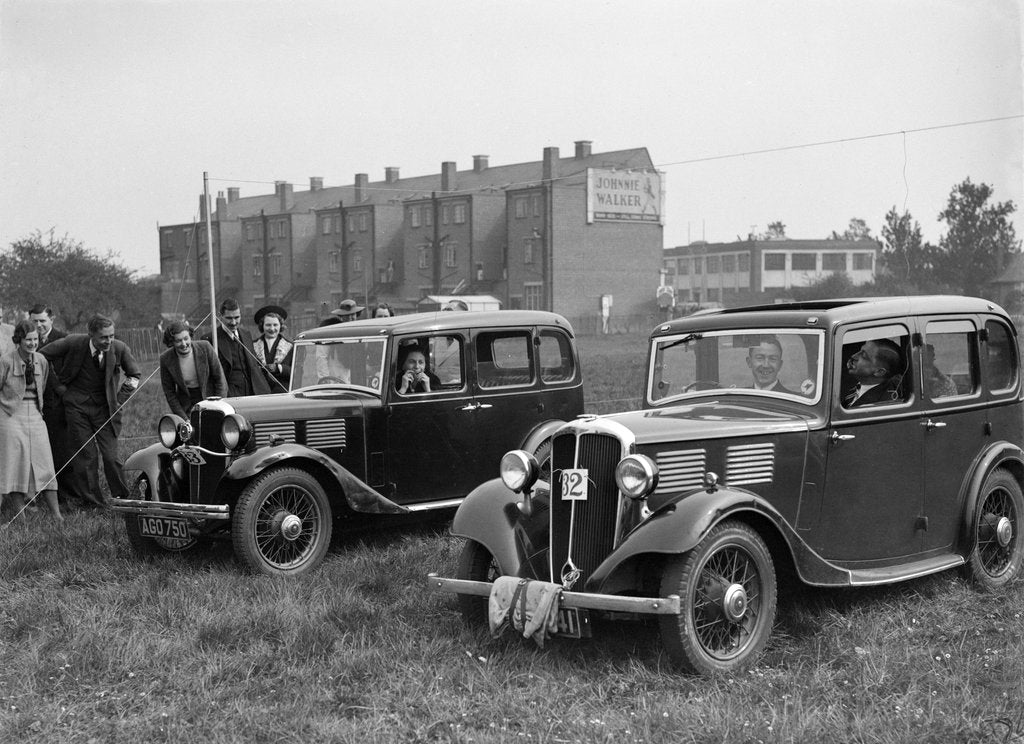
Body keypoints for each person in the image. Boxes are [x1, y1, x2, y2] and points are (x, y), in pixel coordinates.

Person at [40, 314, 141, 509]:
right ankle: (93, 502)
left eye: (111, 335)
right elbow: (42, 356)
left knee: (111, 457)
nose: (109, 341)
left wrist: (119, 400)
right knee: (86, 456)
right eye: (104, 337)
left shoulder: (119, 348)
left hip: (106, 410)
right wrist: (59, 388)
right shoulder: (73, 342)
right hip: (76, 407)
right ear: (90, 335)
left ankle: (123, 499)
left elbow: (134, 376)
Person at [0, 320, 63, 524]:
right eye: (28, 340)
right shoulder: (6, 361)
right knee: (15, 464)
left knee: (44, 461)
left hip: (35, 414)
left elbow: (42, 386)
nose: (32, 344)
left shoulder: (41, 360)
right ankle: (21, 515)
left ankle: (57, 515)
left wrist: (36, 410)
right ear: (19, 340)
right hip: (10, 415)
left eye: (35, 339)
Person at [202, 298, 270, 398]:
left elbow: (254, 362)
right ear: (220, 317)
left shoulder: (246, 334)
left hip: (253, 391)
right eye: (229, 318)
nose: (234, 322)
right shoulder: (211, 339)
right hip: (229, 394)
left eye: (237, 317)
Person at [160, 320, 228, 418]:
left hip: (212, 402)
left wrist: (218, 408)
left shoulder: (205, 347)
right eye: (178, 341)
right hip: (187, 408)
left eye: (186, 338)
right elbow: (170, 393)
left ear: (190, 336)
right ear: (172, 342)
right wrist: (183, 417)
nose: (183, 344)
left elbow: (220, 380)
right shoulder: (165, 359)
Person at [842, 338, 902, 407]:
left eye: (864, 356)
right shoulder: (858, 385)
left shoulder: (878, 405)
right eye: (860, 351)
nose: (854, 356)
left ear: (879, 372)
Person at [253, 305, 294, 393]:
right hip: (259, 394)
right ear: (262, 326)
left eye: (275, 325)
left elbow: (297, 373)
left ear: (281, 325)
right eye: (268, 325)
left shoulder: (291, 346)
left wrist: (279, 368)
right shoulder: (252, 346)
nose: (272, 329)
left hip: (282, 394)